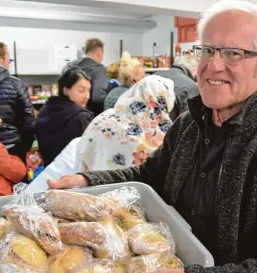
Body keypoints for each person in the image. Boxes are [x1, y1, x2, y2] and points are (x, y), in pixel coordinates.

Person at [48, 0, 257, 273]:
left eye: (233, 53)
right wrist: (88, 181)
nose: (214, 65)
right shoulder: (189, 124)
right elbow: (150, 176)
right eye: (207, 50)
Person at [27, 75, 175, 193]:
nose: (86, 95)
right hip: (121, 198)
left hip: (80, 183)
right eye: (81, 90)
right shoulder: (158, 135)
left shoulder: (107, 116)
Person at [35, 68, 93, 167]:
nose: (87, 96)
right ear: (66, 90)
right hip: (74, 175)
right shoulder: (81, 117)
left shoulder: (45, 110)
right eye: (81, 90)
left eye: (88, 91)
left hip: (49, 172)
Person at [62, 38, 108, 116]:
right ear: (99, 52)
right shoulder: (98, 69)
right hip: (87, 118)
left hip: (65, 114)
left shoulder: (68, 66)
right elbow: (98, 98)